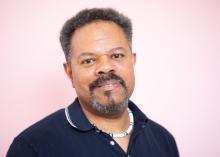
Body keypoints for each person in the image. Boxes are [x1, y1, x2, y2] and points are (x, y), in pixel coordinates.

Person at [7, 8, 179, 157]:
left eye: (117, 55)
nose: (105, 67)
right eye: (89, 60)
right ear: (69, 73)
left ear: (132, 61)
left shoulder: (163, 139)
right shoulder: (32, 147)